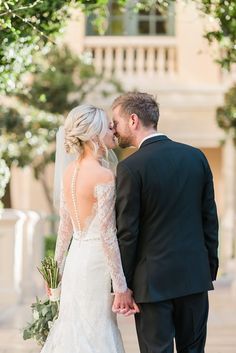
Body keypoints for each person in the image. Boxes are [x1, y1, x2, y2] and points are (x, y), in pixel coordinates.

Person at [112, 92, 219, 353]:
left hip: (152, 284)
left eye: (116, 121)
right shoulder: (196, 157)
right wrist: (208, 268)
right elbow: (209, 219)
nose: (113, 129)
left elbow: (128, 232)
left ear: (133, 120)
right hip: (194, 277)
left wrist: (122, 284)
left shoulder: (130, 168)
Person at [40, 104, 138, 353]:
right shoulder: (103, 175)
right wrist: (121, 286)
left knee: (75, 327)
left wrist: (56, 272)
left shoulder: (69, 171)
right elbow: (107, 235)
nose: (112, 131)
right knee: (98, 329)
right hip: (96, 264)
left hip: (75, 261)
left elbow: (65, 228)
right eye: (107, 126)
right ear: (94, 134)